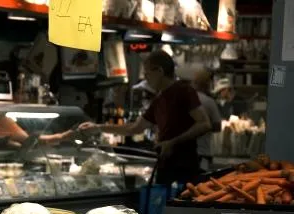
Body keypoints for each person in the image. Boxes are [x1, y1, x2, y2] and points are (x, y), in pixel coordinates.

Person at [79, 50, 212, 185]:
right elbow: (134, 128)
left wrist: (173, 142)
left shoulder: (184, 91)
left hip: (184, 168)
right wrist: (98, 127)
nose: (145, 77)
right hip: (164, 166)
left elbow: (204, 124)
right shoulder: (159, 99)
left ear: (159, 71)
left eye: (147, 72)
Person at [192, 68, 223, 172]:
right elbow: (218, 126)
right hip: (203, 152)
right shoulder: (209, 102)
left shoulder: (185, 98)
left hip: (185, 152)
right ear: (208, 83)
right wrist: (205, 125)